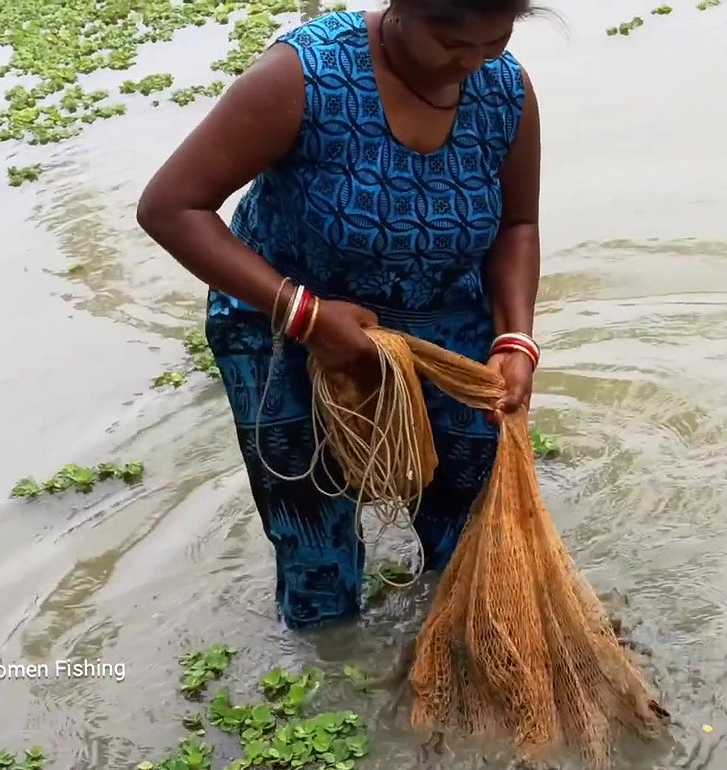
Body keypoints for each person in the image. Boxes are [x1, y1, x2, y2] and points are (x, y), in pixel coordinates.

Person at [136, 0, 543, 629]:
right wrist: (308, 318)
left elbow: (517, 224)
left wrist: (515, 339)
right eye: (451, 44)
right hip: (287, 324)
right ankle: (329, 670)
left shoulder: (505, 88)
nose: (470, 65)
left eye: (492, 43)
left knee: (471, 523)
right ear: (402, 8)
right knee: (315, 544)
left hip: (445, 320)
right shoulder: (302, 76)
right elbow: (170, 207)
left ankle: (447, 652)